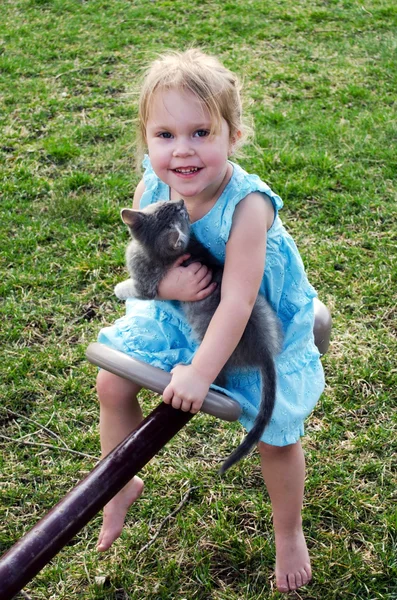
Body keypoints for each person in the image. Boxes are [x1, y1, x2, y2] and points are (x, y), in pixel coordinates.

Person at [95, 49, 325, 593]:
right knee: (111, 383)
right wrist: (166, 286)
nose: (183, 151)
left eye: (201, 132)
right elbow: (147, 260)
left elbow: (240, 302)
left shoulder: (247, 207)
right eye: (165, 135)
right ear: (146, 139)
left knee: (276, 435)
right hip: (184, 314)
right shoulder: (152, 191)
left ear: (233, 135)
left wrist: (199, 373)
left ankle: (288, 532)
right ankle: (119, 482)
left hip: (251, 329)